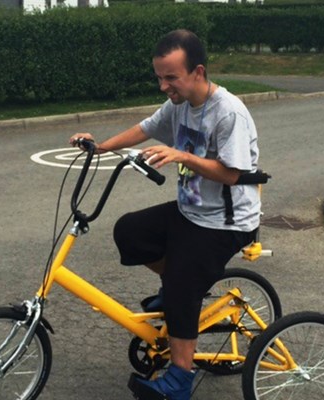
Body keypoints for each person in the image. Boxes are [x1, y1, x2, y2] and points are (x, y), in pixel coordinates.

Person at [69, 29, 260, 399]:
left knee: (181, 287)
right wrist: (99, 146)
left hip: (226, 221)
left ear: (198, 72)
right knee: (130, 232)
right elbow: (145, 129)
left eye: (170, 77)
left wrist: (183, 156)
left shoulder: (229, 112)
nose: (163, 86)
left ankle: (179, 380)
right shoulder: (178, 105)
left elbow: (232, 174)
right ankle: (176, 289)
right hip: (191, 212)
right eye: (159, 77)